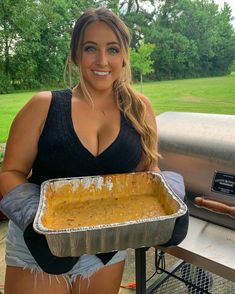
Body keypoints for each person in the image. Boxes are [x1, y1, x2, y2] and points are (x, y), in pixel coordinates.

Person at [0, 7, 187, 294]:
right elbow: (11, 172)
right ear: (76, 54)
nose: (102, 60)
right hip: (39, 250)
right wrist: (38, 223)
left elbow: (148, 172)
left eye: (112, 49)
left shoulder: (140, 109)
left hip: (107, 251)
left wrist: (163, 211)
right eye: (90, 48)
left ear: (124, 56)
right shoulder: (43, 106)